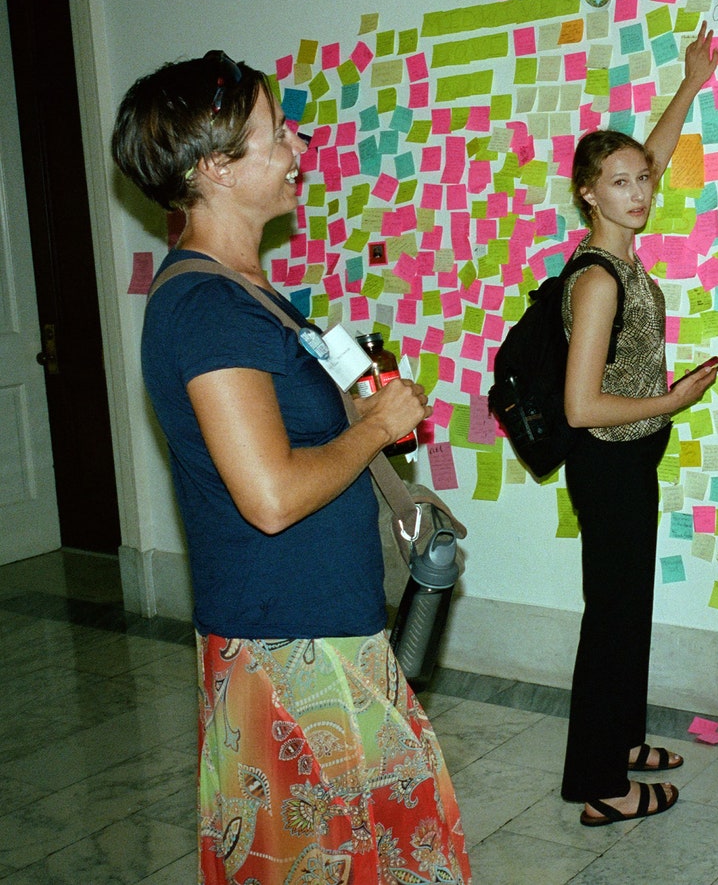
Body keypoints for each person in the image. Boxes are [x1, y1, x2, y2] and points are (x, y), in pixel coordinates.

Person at [112, 51, 470, 883]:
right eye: (276, 135)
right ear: (215, 168)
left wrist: (354, 412)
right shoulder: (205, 307)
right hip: (286, 651)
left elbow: (282, 435)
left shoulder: (249, 290)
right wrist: (375, 427)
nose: (298, 147)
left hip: (325, 631)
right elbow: (269, 496)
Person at [558, 24, 718, 826]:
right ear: (589, 193)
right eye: (620, 182)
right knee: (611, 617)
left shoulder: (623, 256)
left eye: (642, 181)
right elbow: (580, 407)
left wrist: (689, 84)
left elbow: (651, 153)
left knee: (628, 611)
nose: (640, 191)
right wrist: (674, 398)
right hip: (609, 459)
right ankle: (601, 785)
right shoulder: (596, 279)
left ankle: (621, 740)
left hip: (631, 460)